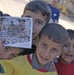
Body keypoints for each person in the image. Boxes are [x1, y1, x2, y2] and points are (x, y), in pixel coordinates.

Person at [0, 23, 68, 75]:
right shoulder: (18, 62)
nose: (46, 54)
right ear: (37, 41)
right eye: (44, 45)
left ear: (61, 52)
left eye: (54, 50)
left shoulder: (53, 73)